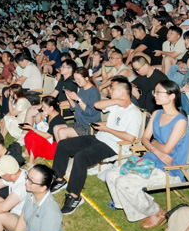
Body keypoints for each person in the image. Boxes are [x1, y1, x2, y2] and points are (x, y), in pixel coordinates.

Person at [48, 77, 143, 214]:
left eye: (113, 88)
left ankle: (74, 196)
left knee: (81, 157)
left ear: (122, 91)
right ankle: (58, 178)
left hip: (114, 145)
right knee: (63, 144)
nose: (109, 90)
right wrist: (117, 101)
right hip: (100, 137)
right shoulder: (115, 104)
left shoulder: (134, 113)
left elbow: (130, 137)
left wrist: (108, 129)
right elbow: (97, 105)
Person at [104, 80, 189, 228]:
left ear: (172, 96)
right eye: (154, 92)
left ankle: (156, 211)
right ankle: (131, 203)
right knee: (111, 175)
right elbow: (144, 138)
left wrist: (153, 144)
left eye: (159, 92)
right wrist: (155, 148)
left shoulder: (180, 121)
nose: (154, 95)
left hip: (170, 168)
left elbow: (167, 150)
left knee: (124, 183)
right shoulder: (157, 113)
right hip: (150, 159)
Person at [0, 164, 63, 231]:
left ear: (43, 188)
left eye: (31, 181)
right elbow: (23, 219)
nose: (26, 182)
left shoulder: (51, 212)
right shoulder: (30, 193)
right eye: (27, 177)